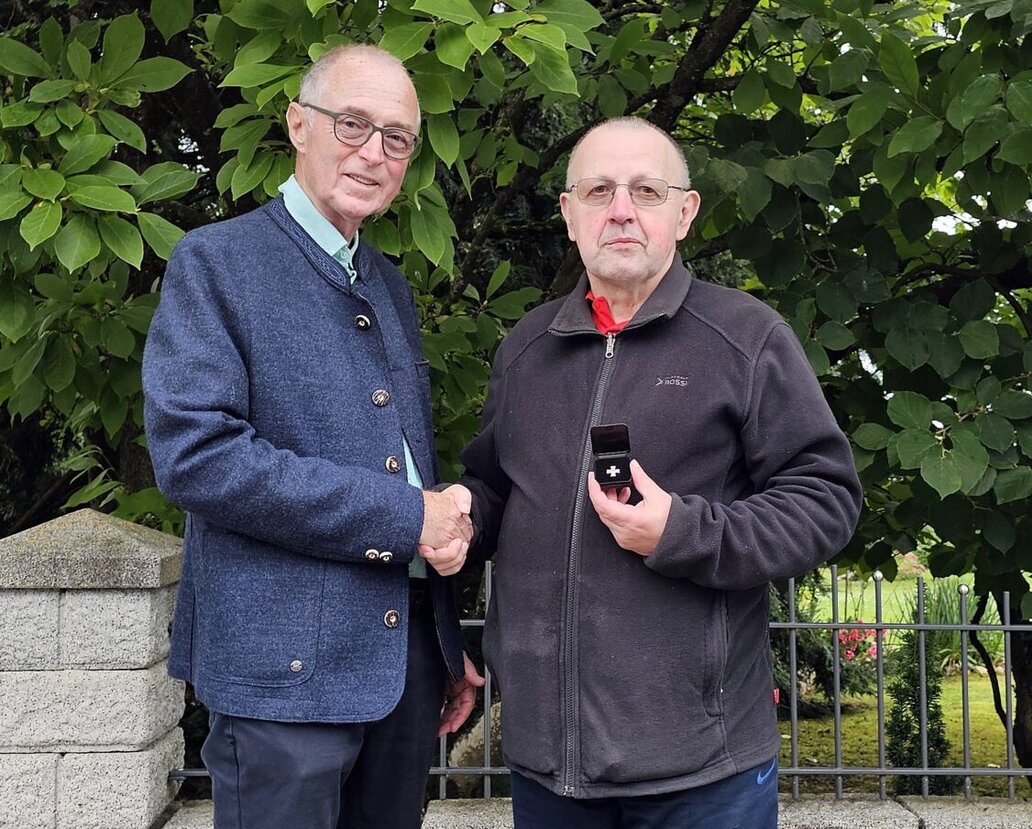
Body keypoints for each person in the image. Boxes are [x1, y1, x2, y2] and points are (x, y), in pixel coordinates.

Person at [431, 117, 862, 828]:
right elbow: (498, 489)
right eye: (599, 190)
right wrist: (463, 513)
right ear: (569, 213)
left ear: (684, 213)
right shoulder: (527, 348)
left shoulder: (747, 338)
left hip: (702, 768)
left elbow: (826, 500)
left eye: (647, 191)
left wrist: (680, 531)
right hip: (548, 764)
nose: (622, 210)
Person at [142, 44, 483, 829]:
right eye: (352, 124)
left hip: (401, 675)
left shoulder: (388, 283)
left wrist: (438, 637)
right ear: (298, 124)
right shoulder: (215, 262)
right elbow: (198, 457)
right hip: (280, 681)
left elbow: (399, 463)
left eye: (396, 138)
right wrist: (409, 516)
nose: (373, 152)